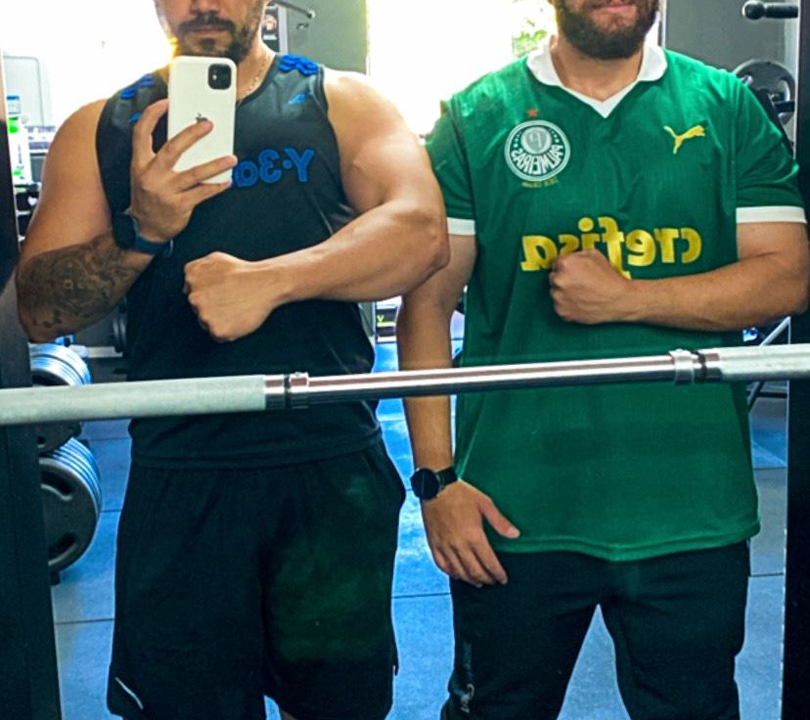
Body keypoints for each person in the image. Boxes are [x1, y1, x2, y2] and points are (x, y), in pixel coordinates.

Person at [15, 1, 448, 719]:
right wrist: (141, 230)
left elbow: (421, 233)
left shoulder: (340, 101)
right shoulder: (101, 127)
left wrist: (271, 282)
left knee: (339, 708)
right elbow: (40, 310)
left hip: (327, 467)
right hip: (181, 476)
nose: (204, 3)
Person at [397, 1, 810, 719]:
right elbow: (426, 306)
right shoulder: (476, 117)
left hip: (690, 502)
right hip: (514, 509)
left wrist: (626, 299)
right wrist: (437, 483)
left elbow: (787, 277)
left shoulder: (726, 107)